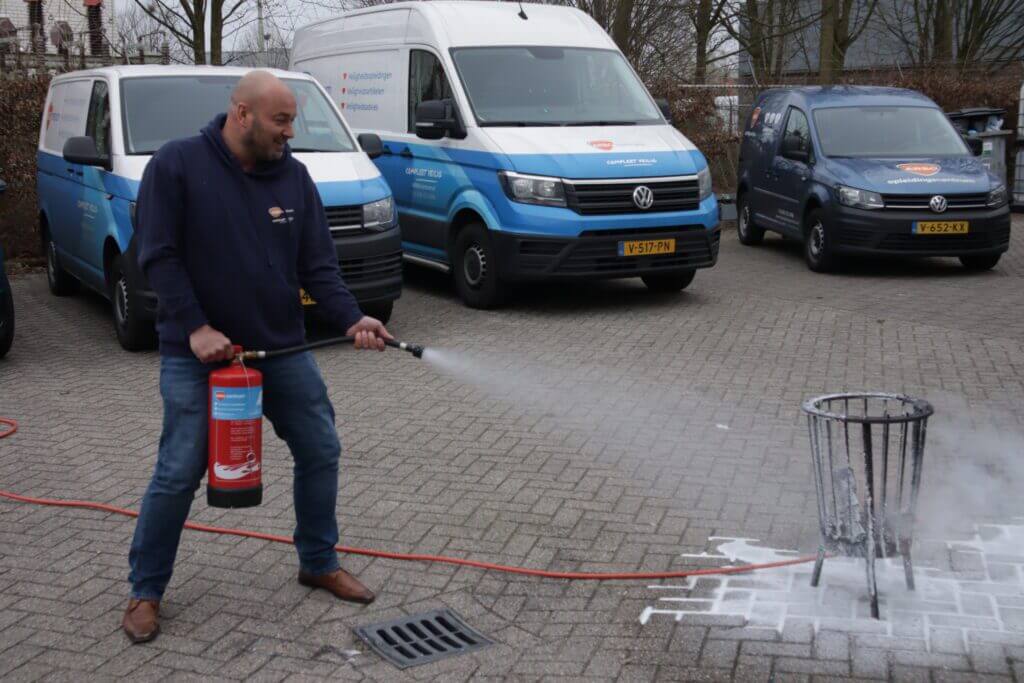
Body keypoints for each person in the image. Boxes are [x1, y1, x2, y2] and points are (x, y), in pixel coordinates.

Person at [123, 71, 389, 644]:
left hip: (282, 347)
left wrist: (351, 317)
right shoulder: (175, 165)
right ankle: (145, 590)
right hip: (197, 354)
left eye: (292, 121)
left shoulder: (294, 180)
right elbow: (158, 255)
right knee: (178, 469)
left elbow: (319, 267)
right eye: (281, 120)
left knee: (321, 446)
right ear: (242, 114)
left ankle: (318, 561)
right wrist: (195, 328)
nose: (290, 133)